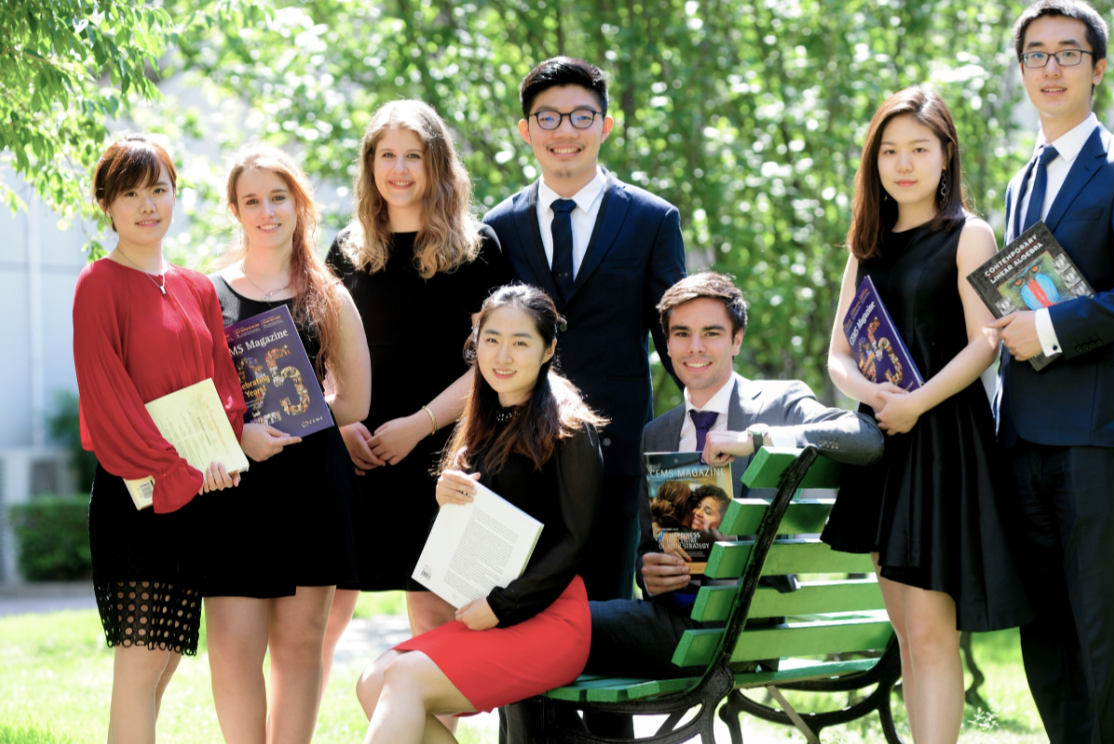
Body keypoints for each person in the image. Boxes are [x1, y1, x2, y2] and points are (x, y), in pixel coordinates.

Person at [501, 272, 883, 741]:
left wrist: (757, 439)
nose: (694, 347)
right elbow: (648, 550)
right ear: (666, 344)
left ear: (737, 340)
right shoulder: (658, 433)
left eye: (711, 333)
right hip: (680, 623)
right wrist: (651, 574)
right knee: (532, 634)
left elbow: (865, 439)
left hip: (739, 628)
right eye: (681, 334)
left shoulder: (779, 403)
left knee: (527, 627)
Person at [818, 87, 1035, 744]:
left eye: (918, 148)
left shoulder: (970, 234)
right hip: (885, 444)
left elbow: (985, 342)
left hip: (943, 442)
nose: (903, 164)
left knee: (933, 634)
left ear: (946, 154)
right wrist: (876, 393)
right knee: (907, 635)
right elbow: (837, 356)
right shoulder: (866, 245)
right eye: (889, 151)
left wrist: (917, 402)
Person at [992, 3, 1114, 742]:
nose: (1051, 68)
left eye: (1068, 53)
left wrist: (1047, 328)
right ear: (1022, 70)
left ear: (1097, 68)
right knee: (1043, 625)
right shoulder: (1020, 182)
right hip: (1022, 433)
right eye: (1036, 54)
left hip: (1096, 431)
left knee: (1100, 619)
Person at [322, 99, 514, 733]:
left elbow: (496, 362)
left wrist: (420, 424)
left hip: (443, 455)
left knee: (434, 621)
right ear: (369, 164)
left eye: (413, 156)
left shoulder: (478, 249)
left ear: (437, 165)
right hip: (357, 456)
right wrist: (342, 422)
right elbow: (321, 354)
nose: (399, 170)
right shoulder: (345, 250)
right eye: (387, 155)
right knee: (320, 620)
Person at [355, 284, 605, 744]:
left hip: (550, 619)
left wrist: (501, 606)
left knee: (402, 678)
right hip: (495, 611)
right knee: (373, 680)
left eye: (520, 342)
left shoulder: (570, 426)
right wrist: (447, 497)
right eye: (491, 340)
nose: (502, 356)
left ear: (549, 349)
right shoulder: (487, 420)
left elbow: (576, 542)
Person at [484, 56, 687, 602]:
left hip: (616, 454)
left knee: (607, 613)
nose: (565, 131)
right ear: (526, 130)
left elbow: (674, 337)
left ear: (605, 125)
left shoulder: (652, 220)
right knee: (517, 609)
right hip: (519, 454)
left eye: (581, 116)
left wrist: (711, 417)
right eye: (547, 118)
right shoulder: (498, 228)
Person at [72, 133, 245, 743]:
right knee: (142, 663)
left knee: (165, 662)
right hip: (138, 495)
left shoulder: (197, 286)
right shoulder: (98, 284)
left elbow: (223, 384)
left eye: (159, 190)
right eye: (131, 194)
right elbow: (108, 401)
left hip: (197, 493)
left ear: (176, 195)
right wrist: (180, 473)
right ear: (107, 204)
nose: (148, 205)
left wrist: (222, 456)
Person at [202, 144, 375, 744]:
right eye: (252, 200)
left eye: (278, 197)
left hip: (311, 485)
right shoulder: (206, 295)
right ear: (235, 210)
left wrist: (295, 416)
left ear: (300, 205)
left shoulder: (328, 293)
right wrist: (240, 434)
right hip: (235, 488)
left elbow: (356, 401)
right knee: (232, 650)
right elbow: (193, 399)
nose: (267, 211)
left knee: (300, 646)